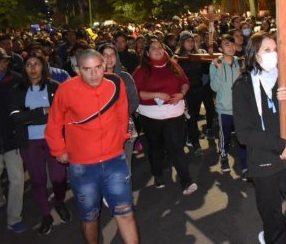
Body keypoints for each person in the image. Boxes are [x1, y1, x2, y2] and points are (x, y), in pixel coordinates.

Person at [45, 50, 139, 244]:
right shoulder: (66, 89)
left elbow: (122, 113)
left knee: (126, 213)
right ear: (78, 70)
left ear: (104, 65)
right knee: (90, 217)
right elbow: (54, 123)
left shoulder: (115, 82)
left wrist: (121, 137)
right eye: (87, 69)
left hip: (114, 160)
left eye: (98, 67)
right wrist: (58, 150)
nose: (94, 74)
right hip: (83, 166)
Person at [232, 32, 286, 244]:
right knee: (272, 216)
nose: (273, 54)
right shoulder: (243, 86)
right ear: (254, 54)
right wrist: (279, 145)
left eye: (275, 50)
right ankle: (274, 237)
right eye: (267, 50)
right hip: (264, 158)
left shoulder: (283, 78)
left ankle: (274, 235)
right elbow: (244, 133)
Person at [8, 52, 70, 235]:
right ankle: (46, 215)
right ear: (24, 68)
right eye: (29, 64)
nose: (33, 68)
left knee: (59, 178)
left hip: (54, 140)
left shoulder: (54, 86)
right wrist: (44, 111)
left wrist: (29, 115)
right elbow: (15, 118)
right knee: (38, 180)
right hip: (30, 142)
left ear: (44, 66)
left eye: (37, 64)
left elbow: (64, 113)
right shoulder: (18, 89)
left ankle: (59, 202)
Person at [132, 40, 197, 195]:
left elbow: (185, 82)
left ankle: (186, 180)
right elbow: (136, 93)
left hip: (174, 114)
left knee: (177, 148)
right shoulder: (141, 70)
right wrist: (156, 94)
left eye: (160, 47)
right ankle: (158, 174)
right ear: (147, 53)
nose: (157, 50)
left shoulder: (173, 66)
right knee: (156, 147)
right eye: (153, 48)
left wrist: (181, 94)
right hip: (151, 116)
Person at [0, 47, 26, 233]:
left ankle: (14, 218)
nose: (3, 65)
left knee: (18, 180)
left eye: (4, 61)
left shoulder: (17, 79)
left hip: (13, 141)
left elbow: (25, 106)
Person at [98, 43, 140, 172]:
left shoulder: (125, 77)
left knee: (125, 166)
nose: (109, 58)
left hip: (124, 127)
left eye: (112, 55)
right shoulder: (94, 79)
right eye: (105, 55)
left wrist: (121, 116)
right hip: (101, 130)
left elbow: (134, 100)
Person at [210, 34, 247, 177]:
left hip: (240, 108)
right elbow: (214, 87)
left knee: (242, 137)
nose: (231, 47)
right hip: (223, 108)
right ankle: (224, 157)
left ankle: (244, 164)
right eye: (226, 44)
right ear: (220, 48)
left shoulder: (240, 62)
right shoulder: (215, 64)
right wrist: (219, 69)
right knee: (224, 136)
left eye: (232, 44)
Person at [175, 32, 207, 156]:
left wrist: (206, 60)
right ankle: (195, 143)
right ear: (182, 43)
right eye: (187, 41)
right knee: (190, 117)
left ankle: (190, 136)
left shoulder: (197, 55)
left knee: (194, 117)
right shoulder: (178, 57)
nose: (190, 43)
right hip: (186, 92)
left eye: (192, 41)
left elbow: (204, 71)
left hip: (198, 90)